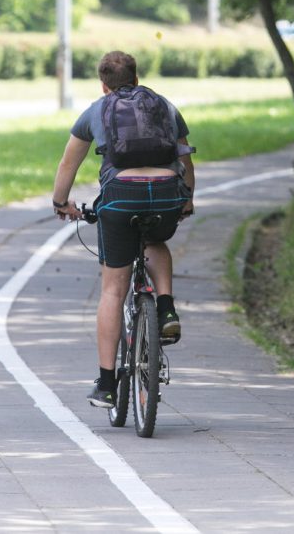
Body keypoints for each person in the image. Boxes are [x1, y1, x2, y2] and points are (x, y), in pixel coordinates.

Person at [52, 50, 195, 408]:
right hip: (165, 194)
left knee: (113, 290)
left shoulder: (96, 111)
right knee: (155, 239)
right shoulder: (165, 106)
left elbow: (69, 163)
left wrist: (61, 203)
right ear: (136, 76)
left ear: (103, 84)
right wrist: (187, 199)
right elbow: (184, 158)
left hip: (120, 197)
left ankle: (106, 385)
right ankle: (165, 309)